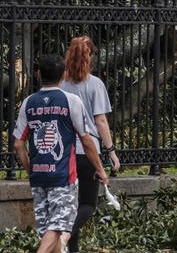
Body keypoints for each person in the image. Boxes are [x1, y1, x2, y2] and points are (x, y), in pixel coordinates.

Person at [14, 53, 108, 253]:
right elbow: (86, 139)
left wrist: (30, 168)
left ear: (38, 74)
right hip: (63, 175)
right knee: (57, 227)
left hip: (39, 175)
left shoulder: (28, 102)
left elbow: (18, 144)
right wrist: (100, 168)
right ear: (64, 75)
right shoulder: (70, 101)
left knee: (49, 229)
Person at [59, 36, 121, 253]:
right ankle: (63, 239)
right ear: (90, 57)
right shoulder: (95, 84)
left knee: (72, 205)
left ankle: (71, 248)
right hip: (88, 151)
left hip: (65, 151)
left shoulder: (61, 83)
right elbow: (100, 121)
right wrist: (111, 151)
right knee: (88, 204)